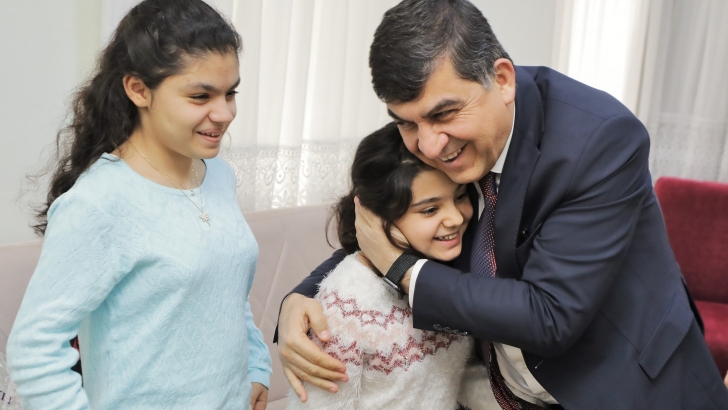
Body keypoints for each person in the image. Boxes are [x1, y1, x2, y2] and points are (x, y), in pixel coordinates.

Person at [276, 1, 728, 409]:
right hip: (506, 389)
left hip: (626, 381)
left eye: (443, 115)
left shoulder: (601, 141)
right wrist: (302, 295)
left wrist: (401, 268)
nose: (429, 146)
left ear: (503, 80)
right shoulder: (442, 135)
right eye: (407, 123)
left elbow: (550, 316)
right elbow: (386, 226)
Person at [6, 1, 271, 409]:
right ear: (138, 89)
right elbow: (33, 348)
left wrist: (256, 366)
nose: (224, 113)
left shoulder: (218, 175)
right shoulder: (99, 203)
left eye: (230, 93)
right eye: (200, 96)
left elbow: (227, 293)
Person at [286, 123, 495, 410]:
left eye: (460, 196)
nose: (456, 218)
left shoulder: (447, 271)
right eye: (430, 209)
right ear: (375, 215)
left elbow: (453, 379)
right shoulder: (346, 310)